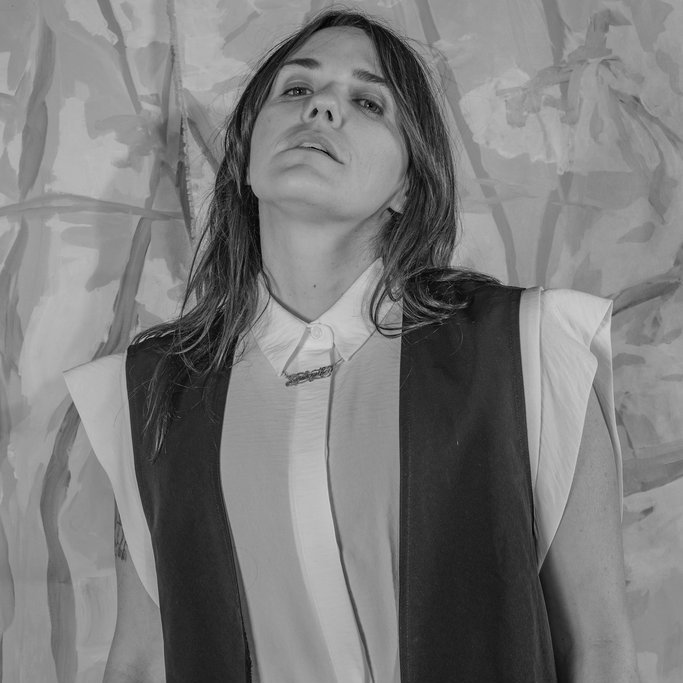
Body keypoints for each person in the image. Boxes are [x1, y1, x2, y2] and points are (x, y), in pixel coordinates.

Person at [65, 9, 641, 683]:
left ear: (407, 183)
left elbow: (601, 650)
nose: (321, 109)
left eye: (368, 101)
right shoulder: (151, 392)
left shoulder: (526, 351)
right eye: (295, 89)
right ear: (245, 157)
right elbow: (140, 661)